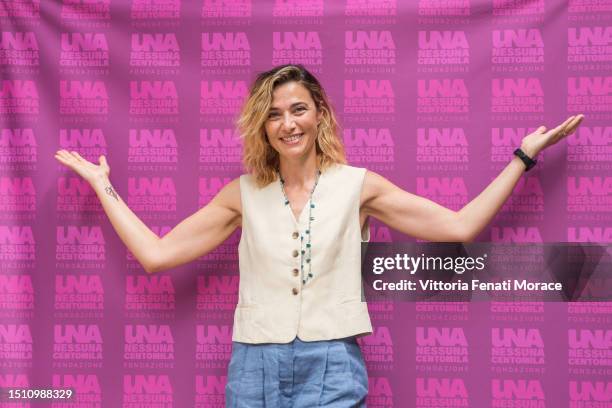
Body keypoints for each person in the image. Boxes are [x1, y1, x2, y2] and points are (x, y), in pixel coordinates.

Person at [54, 64, 584, 407]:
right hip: (253, 367)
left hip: (332, 363)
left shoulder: (359, 186)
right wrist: (104, 187)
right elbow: (156, 254)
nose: (287, 123)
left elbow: (460, 225)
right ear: (263, 127)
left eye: (298, 109)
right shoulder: (242, 194)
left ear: (319, 115)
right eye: (274, 114)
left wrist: (522, 157)